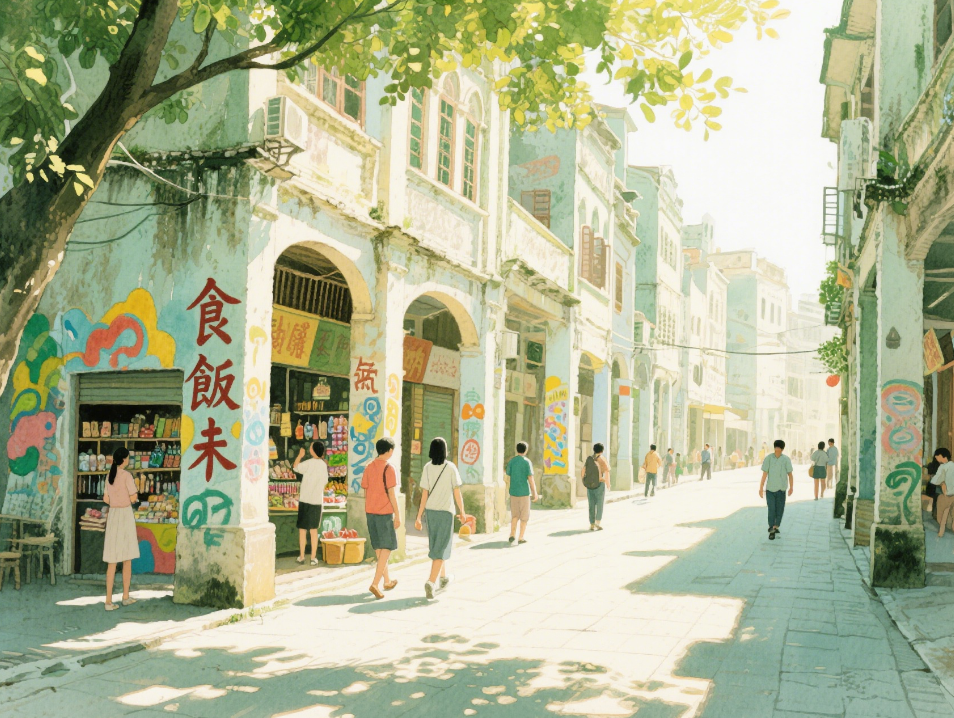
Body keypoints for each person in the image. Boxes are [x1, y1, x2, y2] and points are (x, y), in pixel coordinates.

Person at [415, 438, 466, 600]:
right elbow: (457, 492)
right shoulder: (450, 467)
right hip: (445, 512)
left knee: (438, 545)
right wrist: (462, 511)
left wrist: (419, 516)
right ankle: (431, 582)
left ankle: (443, 578)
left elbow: (424, 494)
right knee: (442, 547)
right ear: (445, 451)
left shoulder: (427, 468)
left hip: (430, 512)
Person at [361, 437, 401, 599]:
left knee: (379, 549)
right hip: (384, 513)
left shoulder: (368, 467)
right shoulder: (389, 468)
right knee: (387, 548)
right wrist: (398, 515)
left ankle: (387, 581)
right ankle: (375, 583)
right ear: (389, 451)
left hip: (370, 512)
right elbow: (392, 494)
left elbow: (365, 491)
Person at [102, 447, 139, 610]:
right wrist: (126, 500)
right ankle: (125, 596)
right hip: (125, 515)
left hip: (113, 516)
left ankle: (108, 600)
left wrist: (115, 502)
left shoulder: (109, 476)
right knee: (127, 558)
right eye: (128, 458)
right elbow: (133, 497)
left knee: (112, 560)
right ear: (124, 459)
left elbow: (106, 498)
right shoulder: (126, 476)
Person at [293, 440, 329, 566]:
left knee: (302, 530)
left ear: (313, 451)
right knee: (314, 531)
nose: (310, 449)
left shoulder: (308, 463)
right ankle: (313, 557)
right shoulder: (323, 466)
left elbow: (295, 467)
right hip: (317, 501)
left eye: (311, 447)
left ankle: (302, 556)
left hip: (305, 500)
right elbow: (325, 482)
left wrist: (300, 456)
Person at [505, 441, 540, 544]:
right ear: (526, 450)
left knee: (515, 515)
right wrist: (534, 492)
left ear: (517, 449)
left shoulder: (512, 461)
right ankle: (521, 537)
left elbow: (507, 476)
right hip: (524, 492)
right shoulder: (527, 462)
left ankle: (512, 534)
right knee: (524, 517)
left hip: (513, 492)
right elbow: (530, 478)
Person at [759, 439, 794, 540]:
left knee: (779, 509)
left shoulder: (786, 459)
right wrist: (761, 488)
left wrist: (791, 487)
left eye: (779, 448)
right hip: (770, 490)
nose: (777, 450)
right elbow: (764, 474)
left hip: (781, 490)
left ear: (782, 449)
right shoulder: (769, 458)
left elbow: (790, 474)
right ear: (774, 448)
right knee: (771, 509)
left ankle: (776, 526)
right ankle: (772, 528)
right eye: (776, 448)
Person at [582, 442, 610, 530]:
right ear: (602, 451)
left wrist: (584, 480)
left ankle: (592, 524)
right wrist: (608, 484)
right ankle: (597, 522)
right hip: (600, 484)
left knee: (591, 504)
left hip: (590, 485)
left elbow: (583, 470)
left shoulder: (589, 459)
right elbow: (607, 472)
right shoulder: (602, 459)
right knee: (599, 504)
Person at [931, 449, 954, 537]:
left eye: (937, 457)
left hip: (946, 494)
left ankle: (941, 532)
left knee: (942, 515)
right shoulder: (952, 465)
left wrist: (942, 484)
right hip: (952, 494)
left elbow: (936, 480)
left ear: (942, 456)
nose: (936, 459)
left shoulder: (943, 467)